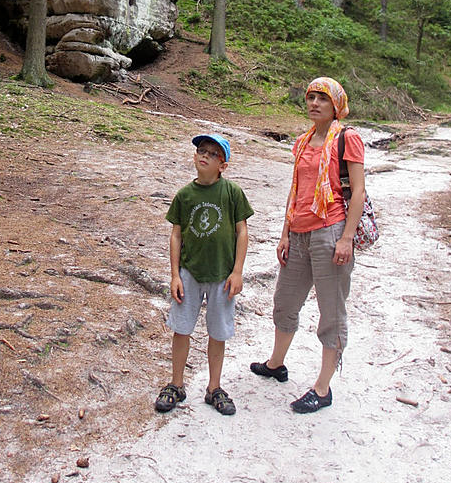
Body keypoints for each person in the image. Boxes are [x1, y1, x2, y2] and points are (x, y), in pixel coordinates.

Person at [250, 77, 365, 413]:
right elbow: (296, 189)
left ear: (336, 106)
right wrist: (285, 233)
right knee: (285, 302)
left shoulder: (348, 139)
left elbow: (357, 192)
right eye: (311, 97)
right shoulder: (301, 142)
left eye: (323, 99)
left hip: (331, 232)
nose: (315, 103)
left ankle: (323, 387)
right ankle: (276, 364)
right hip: (298, 232)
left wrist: (347, 237)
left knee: (331, 312)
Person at [155, 133, 254, 416]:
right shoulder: (185, 195)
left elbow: (242, 231)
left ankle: (214, 387)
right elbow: (176, 235)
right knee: (182, 327)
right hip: (190, 272)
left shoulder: (232, 193)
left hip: (222, 274)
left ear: (222, 165)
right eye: (201, 150)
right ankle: (176, 384)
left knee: (218, 331)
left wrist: (237, 271)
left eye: (212, 154)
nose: (204, 156)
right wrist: (175, 275)